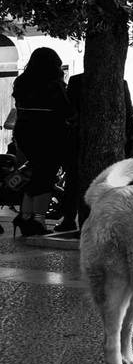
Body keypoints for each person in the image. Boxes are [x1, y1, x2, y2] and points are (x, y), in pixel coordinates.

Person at [56, 74, 133, 232]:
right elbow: (127, 114)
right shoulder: (118, 81)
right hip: (107, 141)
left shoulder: (77, 81)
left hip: (80, 140)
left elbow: (68, 111)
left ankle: (70, 219)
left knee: (74, 181)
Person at [11, 47, 70, 236]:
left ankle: (25, 216)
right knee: (45, 176)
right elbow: (67, 109)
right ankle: (38, 219)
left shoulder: (21, 81)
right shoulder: (54, 84)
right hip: (48, 133)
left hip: (25, 132)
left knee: (33, 174)